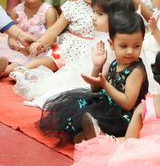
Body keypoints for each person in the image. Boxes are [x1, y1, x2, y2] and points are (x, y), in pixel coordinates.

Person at [38, 10, 149, 144]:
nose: (130, 51)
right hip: (107, 105)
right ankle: (89, 134)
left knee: (97, 120)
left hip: (124, 116)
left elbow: (128, 104)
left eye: (136, 46)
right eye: (124, 46)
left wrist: (105, 84)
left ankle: (95, 135)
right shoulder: (115, 63)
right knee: (77, 114)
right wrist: (97, 67)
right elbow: (95, 87)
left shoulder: (135, 70)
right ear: (112, 44)